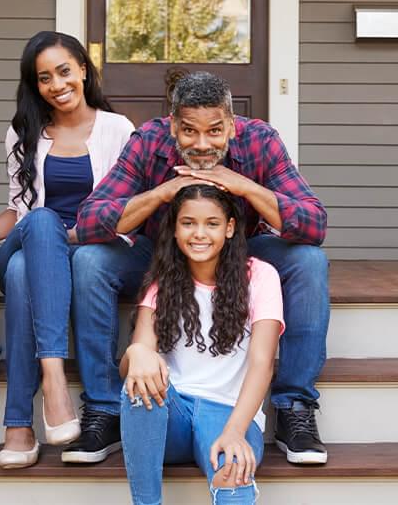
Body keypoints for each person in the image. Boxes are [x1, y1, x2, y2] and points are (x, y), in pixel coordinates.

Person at [69, 71, 329, 465]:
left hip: (238, 256)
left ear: (232, 125)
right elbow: (89, 222)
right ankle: (104, 409)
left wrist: (244, 186)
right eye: (189, 131)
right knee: (89, 260)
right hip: (162, 255)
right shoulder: (148, 141)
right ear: (173, 124)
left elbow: (314, 222)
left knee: (309, 260)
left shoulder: (260, 140)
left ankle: (294, 407)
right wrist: (160, 194)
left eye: (215, 130)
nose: (202, 144)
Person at [0, 31, 134, 469]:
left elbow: (128, 210)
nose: (57, 84)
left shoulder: (117, 130)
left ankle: (18, 426)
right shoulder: (22, 132)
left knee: (27, 270)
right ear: (35, 85)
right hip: (36, 239)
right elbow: (18, 212)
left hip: (85, 247)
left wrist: (73, 236)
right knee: (40, 225)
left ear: (83, 69)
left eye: (64, 71)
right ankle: (55, 380)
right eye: (44, 78)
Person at [120, 184, 284, 505]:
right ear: (175, 230)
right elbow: (133, 366)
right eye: (188, 223)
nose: (199, 233)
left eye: (212, 223)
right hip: (173, 415)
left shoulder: (261, 276)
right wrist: (136, 351)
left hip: (229, 415)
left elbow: (263, 363)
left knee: (233, 481)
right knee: (138, 386)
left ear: (230, 228)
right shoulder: (162, 284)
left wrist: (236, 431)